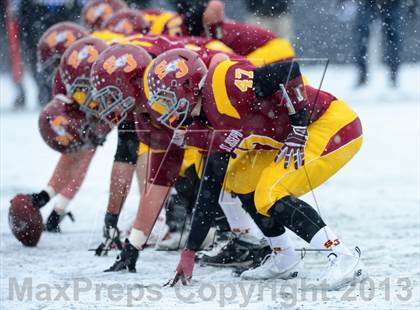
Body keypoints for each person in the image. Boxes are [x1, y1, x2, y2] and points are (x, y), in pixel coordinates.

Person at [351, 0, 403, 87]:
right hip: (370, 3)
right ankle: (362, 75)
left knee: (393, 40)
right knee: (362, 38)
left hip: (390, 4)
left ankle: (393, 76)